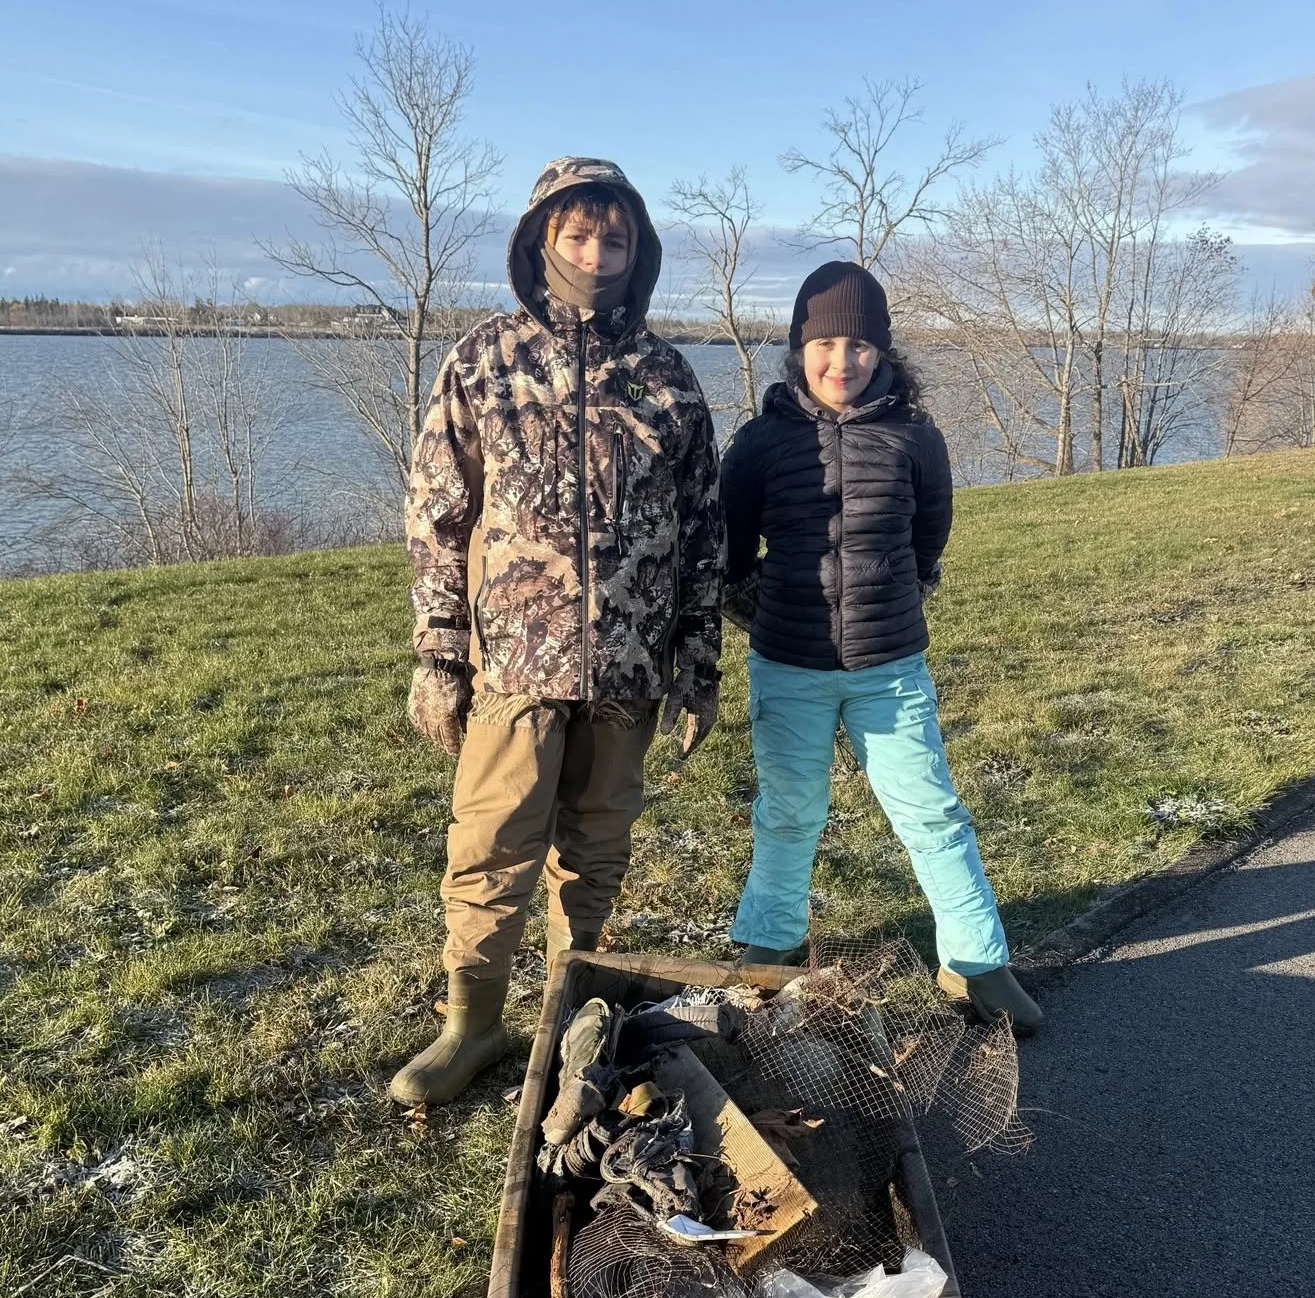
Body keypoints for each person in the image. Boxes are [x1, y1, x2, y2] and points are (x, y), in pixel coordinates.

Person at [391, 157, 724, 1107]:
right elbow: (438, 513)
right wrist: (439, 652)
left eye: (615, 238)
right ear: (544, 239)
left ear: (637, 248)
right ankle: (472, 1025)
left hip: (630, 666)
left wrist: (698, 665)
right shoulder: (484, 361)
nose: (597, 253)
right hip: (514, 662)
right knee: (491, 844)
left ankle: (568, 1009)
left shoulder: (666, 377)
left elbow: (704, 531)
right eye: (579, 235)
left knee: (597, 844)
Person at [722, 261, 1042, 1034]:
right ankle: (771, 943)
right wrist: (772, 611)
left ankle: (975, 961)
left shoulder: (915, 437)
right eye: (826, 344)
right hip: (788, 667)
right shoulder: (760, 442)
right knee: (789, 813)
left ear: (883, 351)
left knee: (933, 814)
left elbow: (929, 538)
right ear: (799, 348)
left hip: (890, 670)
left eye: (860, 345)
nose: (843, 361)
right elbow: (729, 554)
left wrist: (892, 603)